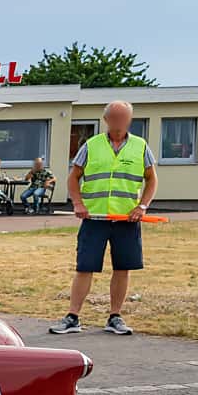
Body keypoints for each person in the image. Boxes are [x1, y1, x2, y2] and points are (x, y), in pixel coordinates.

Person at [52, 100, 157, 336]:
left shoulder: (140, 146)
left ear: (129, 120)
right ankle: (73, 316)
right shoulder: (91, 145)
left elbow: (152, 179)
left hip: (126, 219)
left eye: (124, 117)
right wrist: (78, 203)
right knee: (85, 267)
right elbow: (73, 177)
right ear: (106, 119)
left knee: (123, 268)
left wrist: (142, 206)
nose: (119, 122)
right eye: (115, 117)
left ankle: (115, 316)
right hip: (95, 217)